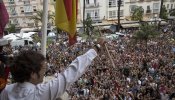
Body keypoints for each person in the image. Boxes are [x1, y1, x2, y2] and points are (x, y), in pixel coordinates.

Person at [0, 37, 106, 100]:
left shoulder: (6, 91)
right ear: (32, 74)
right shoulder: (37, 94)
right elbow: (70, 74)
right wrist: (96, 48)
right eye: (42, 70)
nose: (44, 73)